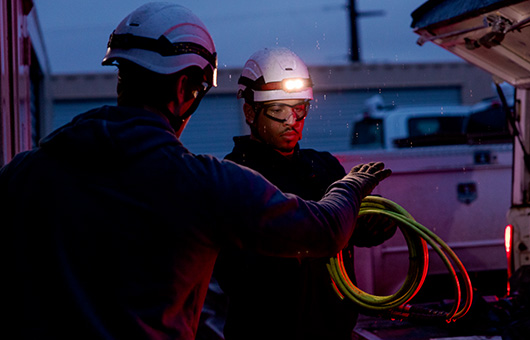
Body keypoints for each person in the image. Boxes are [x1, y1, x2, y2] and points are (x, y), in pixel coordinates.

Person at [0, 3, 391, 339]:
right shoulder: (204, 184)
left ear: (122, 78)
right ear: (186, 88)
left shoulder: (24, 173)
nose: (292, 120)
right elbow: (322, 230)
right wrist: (352, 186)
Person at [212, 47, 388, 340]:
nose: (292, 121)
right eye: (278, 110)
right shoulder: (233, 175)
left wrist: (375, 225)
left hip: (333, 332)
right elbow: (233, 273)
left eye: (299, 108)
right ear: (249, 112)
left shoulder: (324, 166)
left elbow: (355, 234)